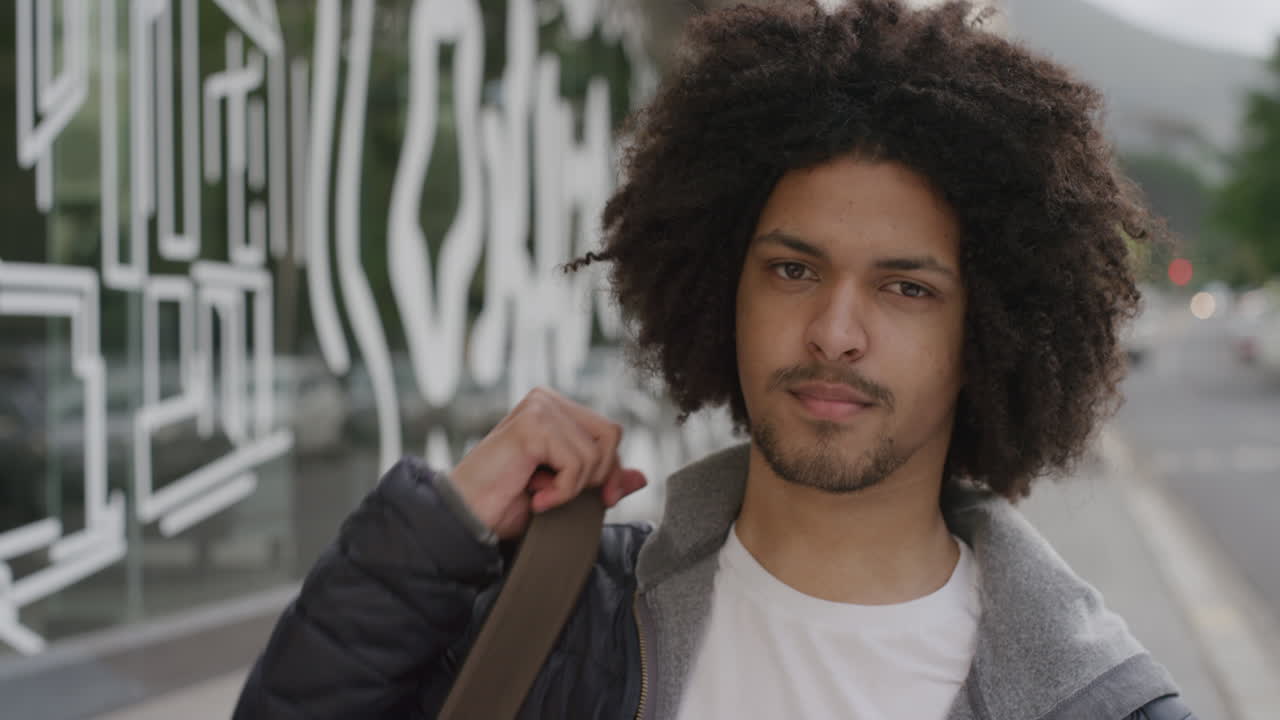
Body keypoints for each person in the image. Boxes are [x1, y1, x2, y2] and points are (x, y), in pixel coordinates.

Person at [233, 1, 1196, 718]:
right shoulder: (560, 612)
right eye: (792, 270)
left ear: (987, 332)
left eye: (906, 288)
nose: (834, 331)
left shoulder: (1098, 702)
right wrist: (430, 535)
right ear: (720, 287)